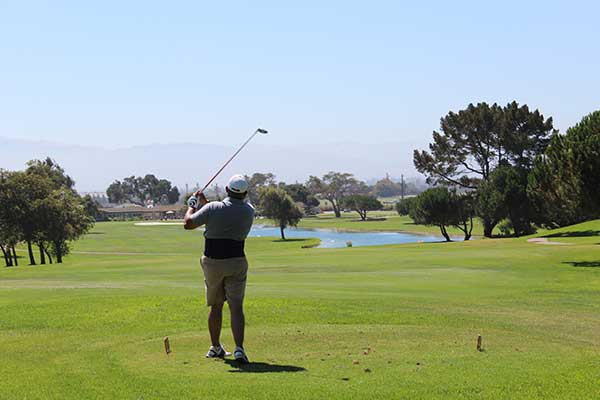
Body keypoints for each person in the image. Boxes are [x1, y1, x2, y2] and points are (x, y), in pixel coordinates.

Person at [183, 175, 255, 364]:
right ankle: (239, 349)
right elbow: (219, 212)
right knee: (236, 307)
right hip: (237, 262)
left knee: (216, 306)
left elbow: (188, 224)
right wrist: (205, 203)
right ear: (245, 193)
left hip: (213, 262)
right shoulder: (249, 211)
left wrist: (192, 204)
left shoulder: (213, 208)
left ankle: (215, 348)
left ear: (226, 189)